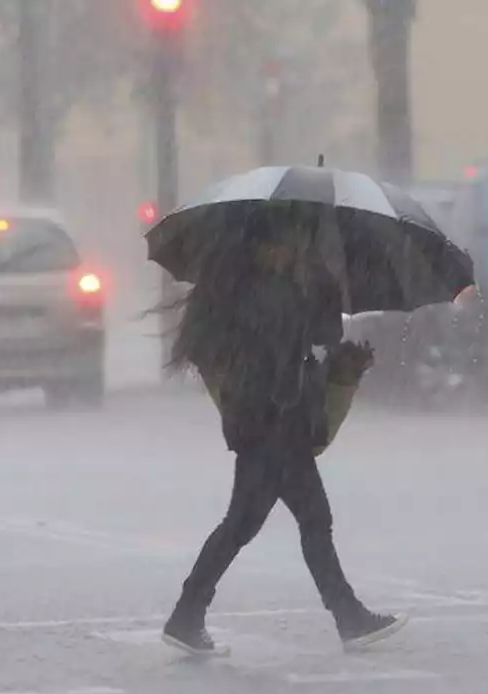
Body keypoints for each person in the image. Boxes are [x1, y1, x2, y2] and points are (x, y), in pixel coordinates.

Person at [161, 206, 408, 656]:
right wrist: (317, 297)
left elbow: (303, 347)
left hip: (268, 428)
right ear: (264, 248)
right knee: (286, 523)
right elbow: (300, 351)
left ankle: (189, 613)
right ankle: (346, 616)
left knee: (261, 524)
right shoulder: (272, 295)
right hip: (273, 429)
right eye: (289, 242)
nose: (293, 249)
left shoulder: (254, 293)